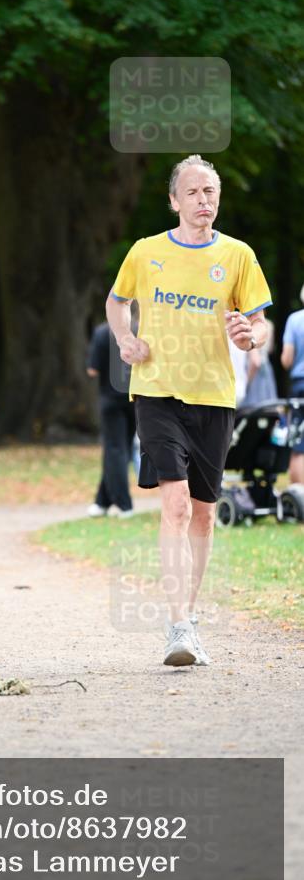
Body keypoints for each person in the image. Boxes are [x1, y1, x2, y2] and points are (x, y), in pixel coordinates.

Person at [106, 154, 272, 668]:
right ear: (174, 201)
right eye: (194, 192)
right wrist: (126, 339)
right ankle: (178, 627)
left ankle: (189, 616)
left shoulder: (238, 255)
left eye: (211, 191)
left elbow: (260, 323)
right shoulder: (146, 251)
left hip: (214, 396)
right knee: (175, 504)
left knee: (203, 512)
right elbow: (116, 302)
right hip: (157, 391)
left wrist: (250, 336)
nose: (204, 200)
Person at [86, 322, 135, 518]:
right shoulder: (139, 330)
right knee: (124, 450)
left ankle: (124, 504)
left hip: (110, 400)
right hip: (134, 399)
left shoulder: (102, 332)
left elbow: (92, 370)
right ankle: (102, 501)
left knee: (115, 450)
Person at [281, 283, 304, 483]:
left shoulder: (295, 320)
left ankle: (298, 494)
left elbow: (287, 359)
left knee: (298, 442)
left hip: (300, 384)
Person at [243, 317, 277, 407]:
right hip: (266, 365)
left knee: (251, 406)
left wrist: (246, 383)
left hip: (252, 368)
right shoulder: (269, 324)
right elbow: (270, 349)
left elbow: (255, 361)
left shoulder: (248, 325)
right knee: (267, 404)